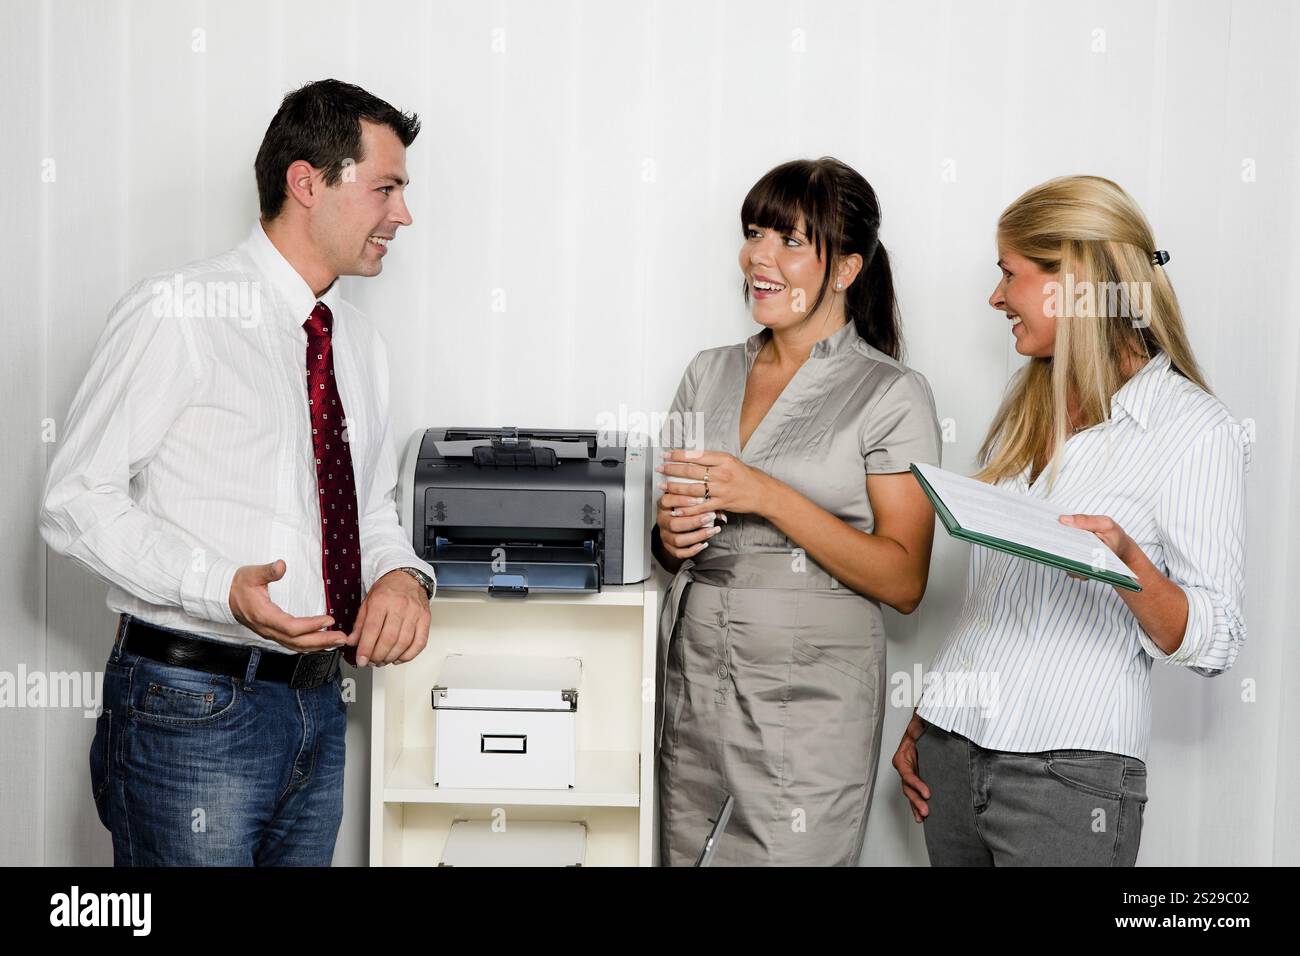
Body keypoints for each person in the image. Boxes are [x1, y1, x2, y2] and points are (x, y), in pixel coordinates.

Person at [39, 79, 438, 866]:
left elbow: (372, 510)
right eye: (386, 188)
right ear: (307, 181)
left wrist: (402, 578)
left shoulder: (358, 344)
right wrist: (218, 586)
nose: (404, 215)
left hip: (318, 708)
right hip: (190, 707)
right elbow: (74, 500)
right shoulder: (178, 311)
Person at [891, 175, 1250, 867]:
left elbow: (1218, 641)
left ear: (1073, 282)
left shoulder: (1195, 431)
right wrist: (935, 711)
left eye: (1009, 274)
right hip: (953, 757)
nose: (995, 298)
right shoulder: (1022, 416)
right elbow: (995, 605)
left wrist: (1127, 570)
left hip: (1068, 778)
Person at [653, 157, 942, 866]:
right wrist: (669, 535)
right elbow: (668, 544)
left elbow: (904, 582)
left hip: (813, 701)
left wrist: (768, 496)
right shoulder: (708, 371)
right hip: (697, 685)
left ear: (845, 269)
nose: (760, 256)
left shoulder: (891, 393)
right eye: (755, 233)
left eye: (789, 241)